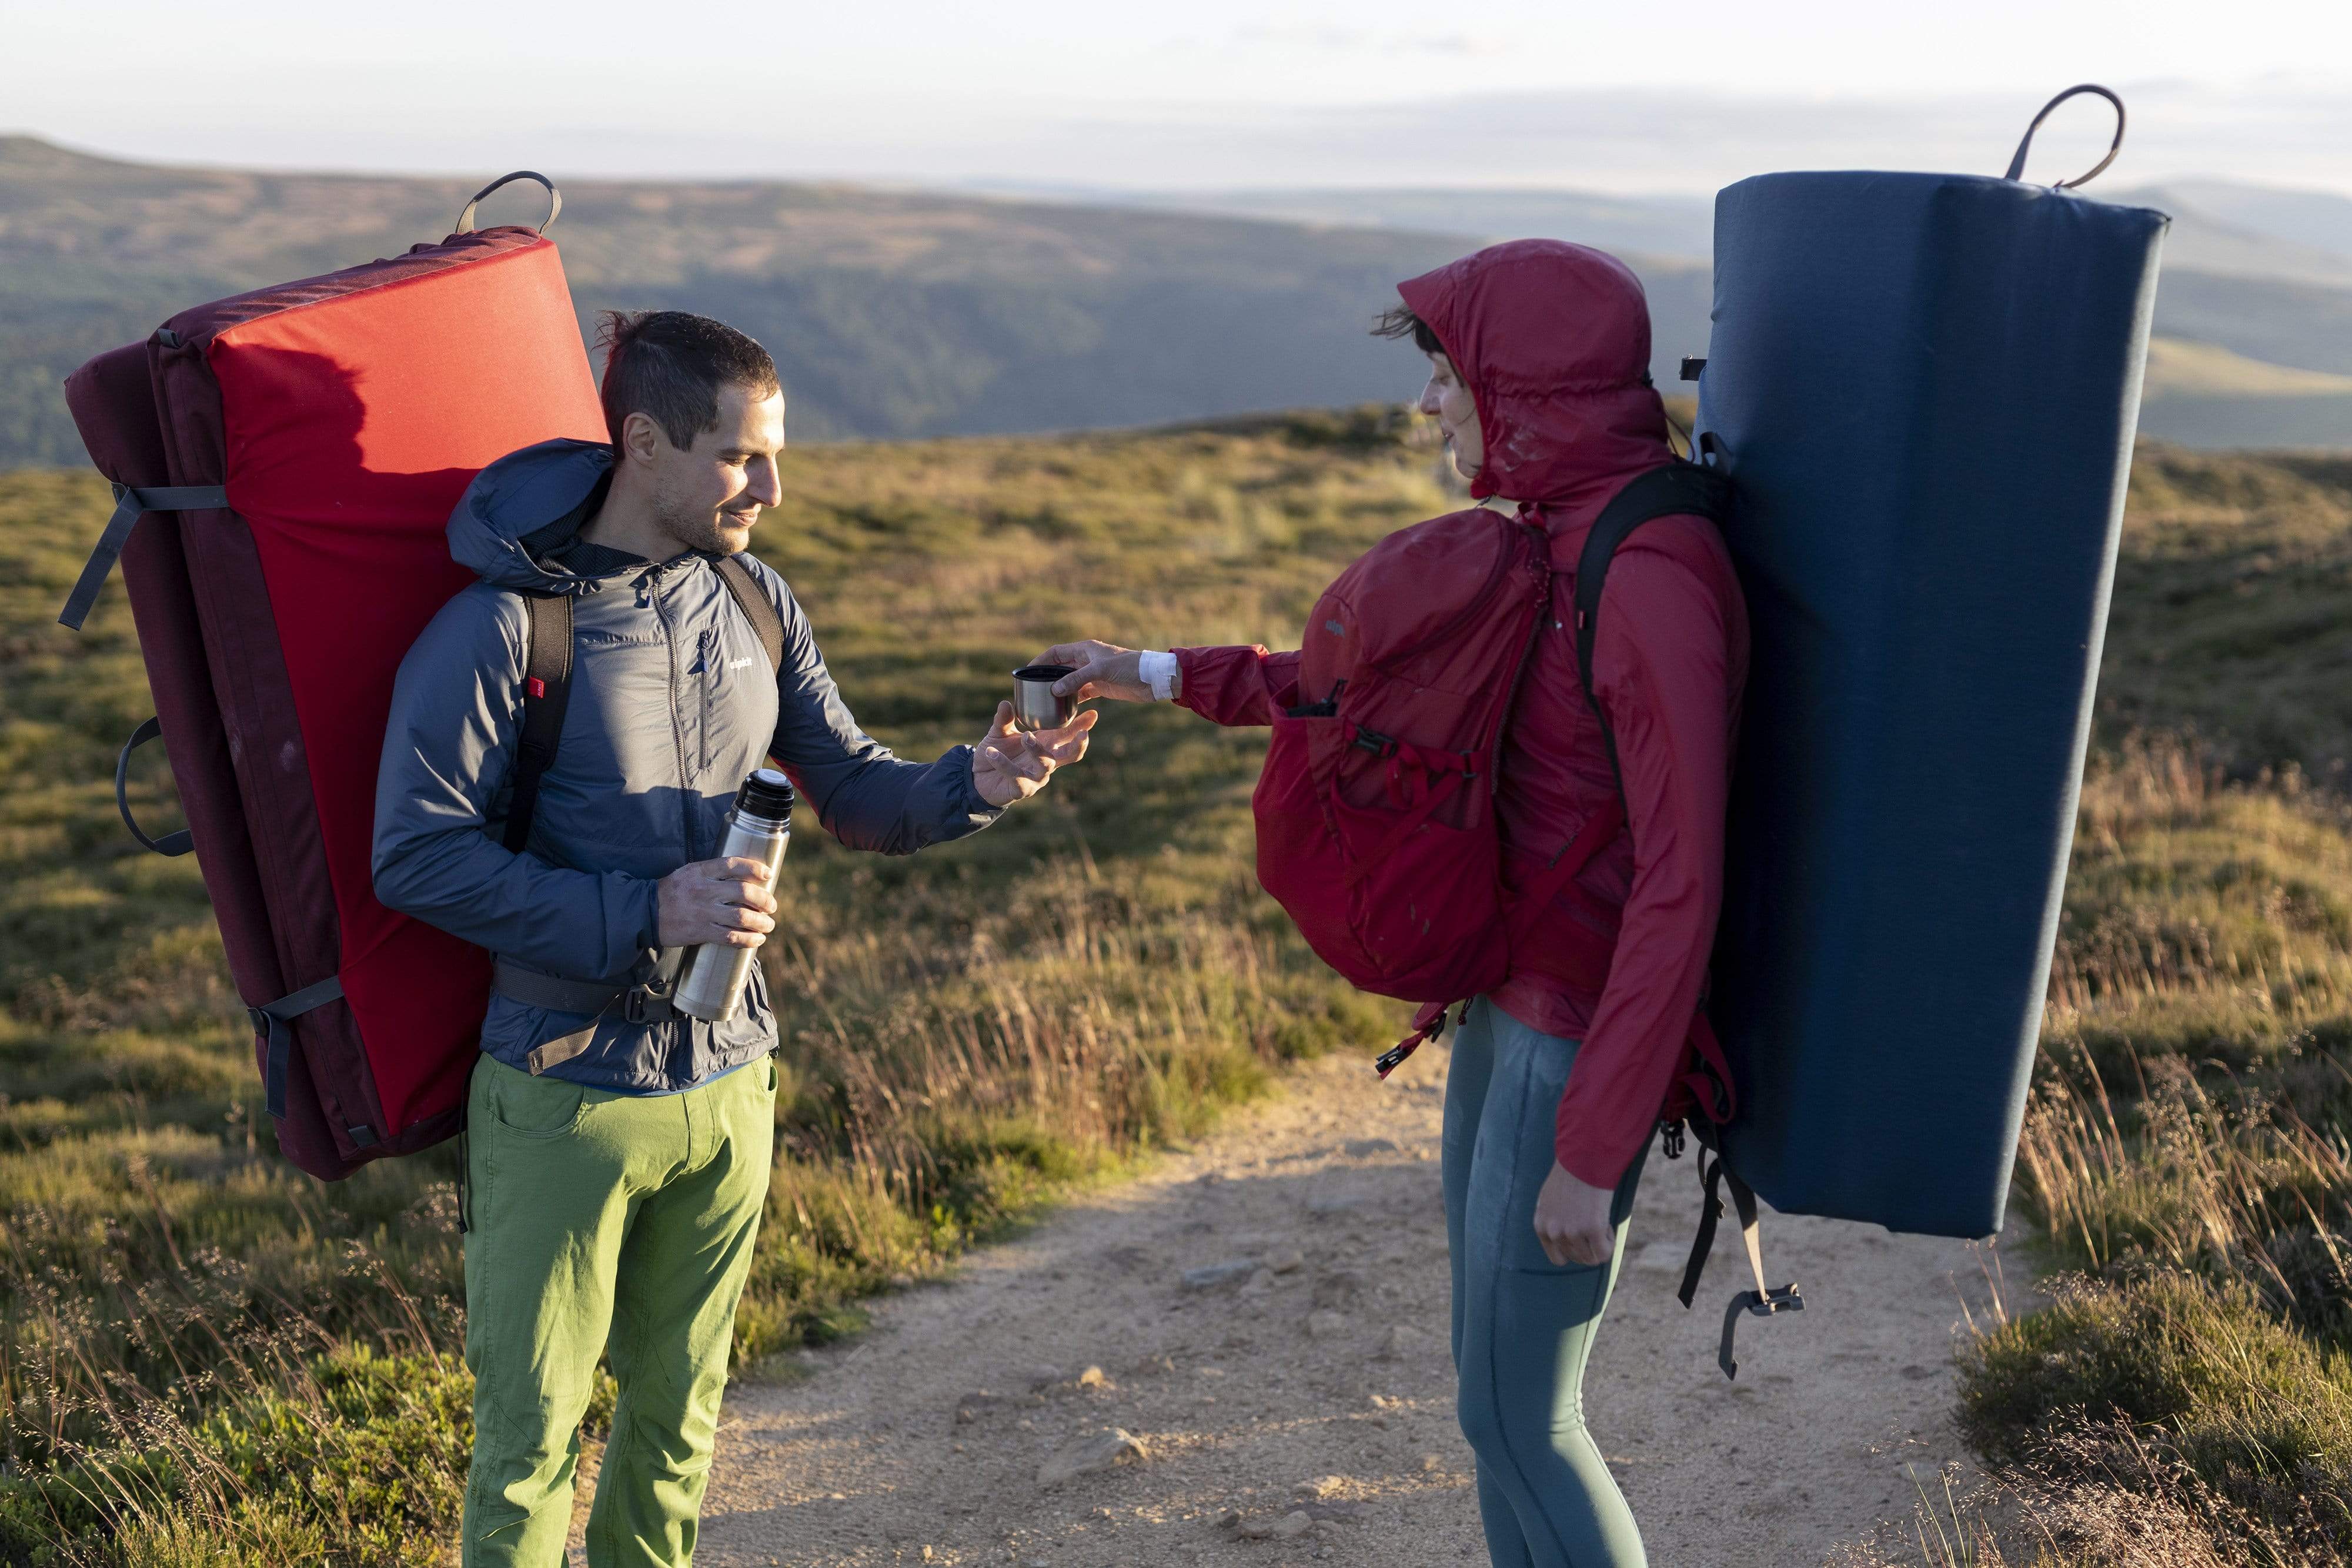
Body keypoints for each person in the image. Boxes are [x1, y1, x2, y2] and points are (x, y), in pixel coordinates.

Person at [1037, 240, 1746, 1567]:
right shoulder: (1553, 530)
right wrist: (1147, 668)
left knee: (1523, 1415)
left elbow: (1679, 878)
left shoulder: (1643, 574)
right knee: (1493, 1413)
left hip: (1567, 1042)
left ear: (1520, 384)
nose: (1427, 406)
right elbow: (1365, 698)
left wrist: (1592, 1146)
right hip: (1498, 1015)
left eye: (1445, 373)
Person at [373, 309, 1094, 1567]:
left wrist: (979, 778)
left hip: (729, 1082)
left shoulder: (757, 600)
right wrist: (648, 911)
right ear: (644, 443)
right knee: (528, 1445)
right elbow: (416, 855)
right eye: (740, 456)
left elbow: (857, 791)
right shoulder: (501, 632)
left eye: (773, 456)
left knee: (676, 1425)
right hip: (560, 1091)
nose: (771, 486)